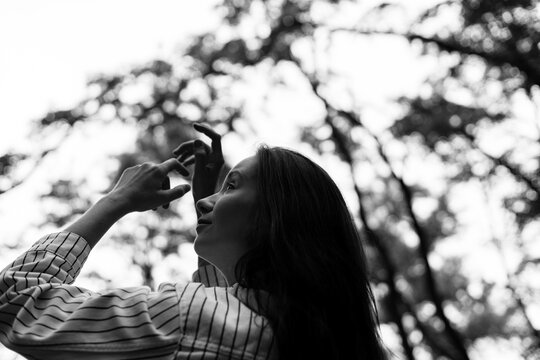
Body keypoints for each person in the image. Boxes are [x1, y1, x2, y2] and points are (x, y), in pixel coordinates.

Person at [0, 123, 387, 359]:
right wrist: (215, 201)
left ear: (277, 217)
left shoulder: (190, 317)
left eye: (231, 186)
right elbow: (229, 303)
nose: (203, 200)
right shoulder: (323, 336)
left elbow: (16, 303)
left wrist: (116, 201)